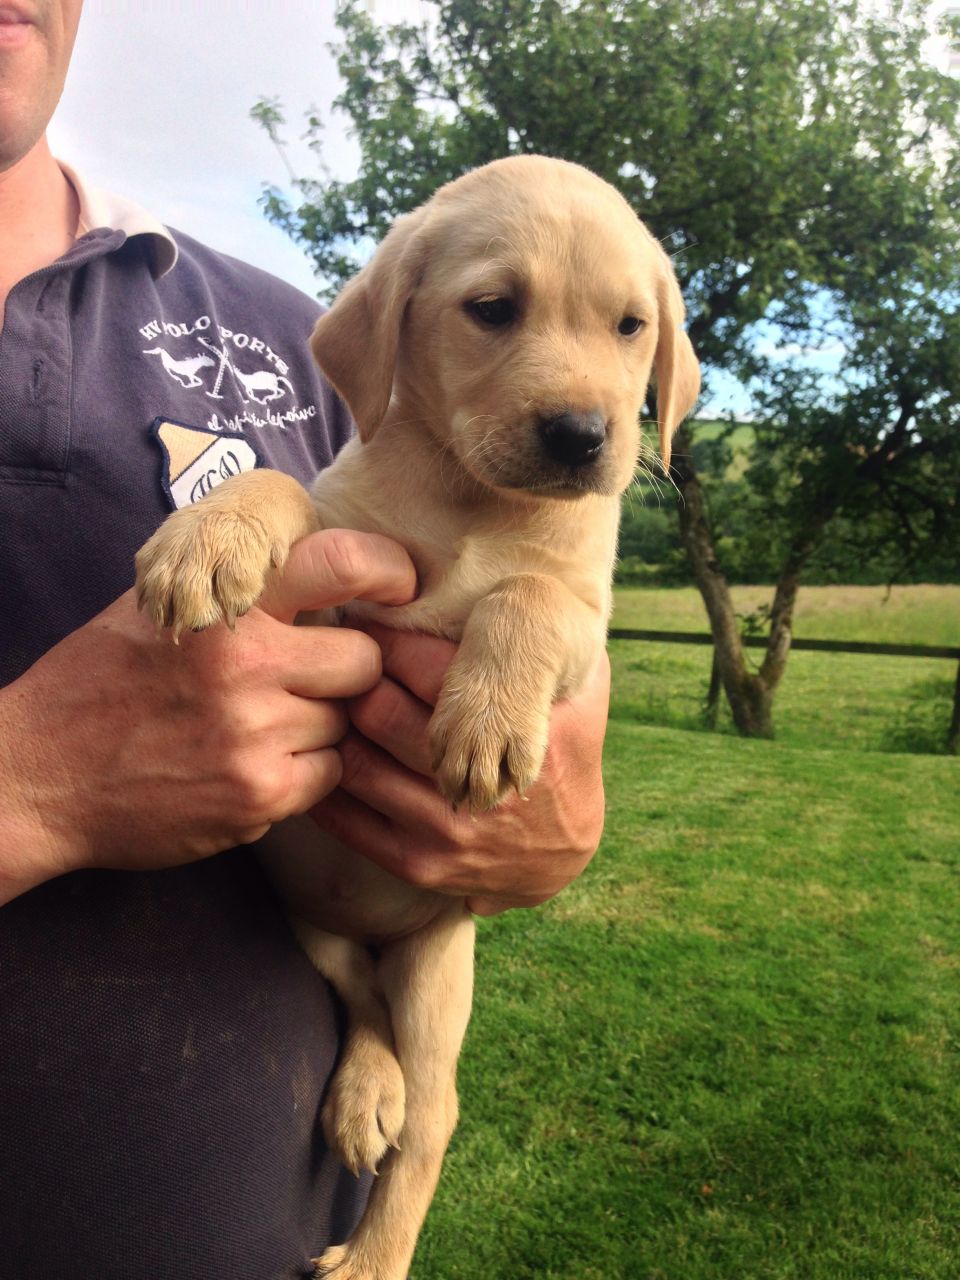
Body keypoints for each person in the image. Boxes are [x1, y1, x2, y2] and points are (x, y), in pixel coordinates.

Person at [0, 4, 609, 1277]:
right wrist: (34, 785)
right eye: (495, 308)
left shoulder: (278, 327)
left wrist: (543, 828)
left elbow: (325, 509)